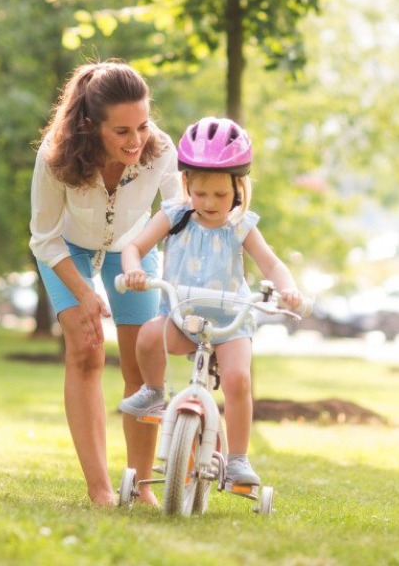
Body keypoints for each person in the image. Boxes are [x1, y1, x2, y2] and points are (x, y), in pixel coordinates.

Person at [29, 60, 182, 506]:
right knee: (85, 353)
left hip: (133, 249)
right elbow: (43, 236)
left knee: (142, 364)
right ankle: (99, 489)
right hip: (67, 251)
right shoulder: (55, 157)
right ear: (91, 127)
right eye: (121, 132)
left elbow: (179, 212)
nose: (136, 141)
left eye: (143, 125)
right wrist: (84, 292)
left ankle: (139, 489)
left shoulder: (161, 150)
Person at [119, 116, 304, 486]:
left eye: (220, 195)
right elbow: (134, 247)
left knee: (237, 381)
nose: (209, 203)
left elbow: (272, 263)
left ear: (238, 188)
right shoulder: (175, 215)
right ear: (187, 184)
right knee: (149, 336)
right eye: (201, 193)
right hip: (182, 318)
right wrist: (134, 270)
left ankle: (236, 458)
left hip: (230, 323)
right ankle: (154, 391)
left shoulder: (240, 226)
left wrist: (289, 289)